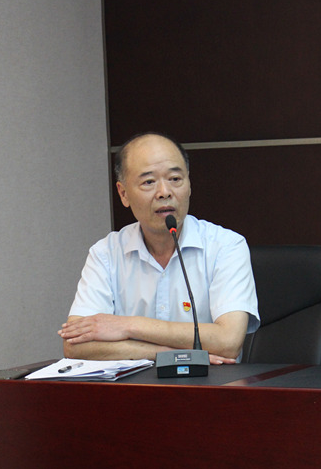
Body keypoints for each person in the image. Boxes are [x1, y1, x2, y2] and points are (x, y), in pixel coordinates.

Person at [59, 132, 260, 364]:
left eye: (175, 179)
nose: (165, 192)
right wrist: (166, 354)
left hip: (210, 384)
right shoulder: (106, 253)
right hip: (133, 386)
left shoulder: (226, 246)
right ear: (123, 194)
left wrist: (127, 326)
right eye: (149, 182)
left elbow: (228, 342)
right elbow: (75, 345)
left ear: (189, 185)